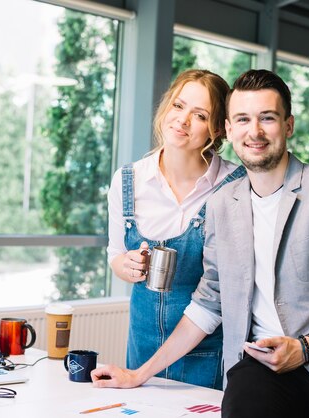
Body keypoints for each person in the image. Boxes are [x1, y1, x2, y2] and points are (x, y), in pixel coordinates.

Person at [95, 69, 309, 418]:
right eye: (243, 119)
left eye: (267, 118)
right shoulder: (222, 203)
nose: (255, 131)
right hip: (261, 370)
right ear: (230, 129)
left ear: (288, 125)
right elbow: (209, 303)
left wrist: (307, 347)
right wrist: (139, 374)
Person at [106, 69, 245, 390]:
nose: (182, 120)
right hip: (142, 346)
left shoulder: (235, 186)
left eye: (199, 115)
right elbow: (115, 254)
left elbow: (225, 289)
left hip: (207, 348)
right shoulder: (127, 180)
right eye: (178, 106)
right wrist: (125, 266)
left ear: (217, 129)